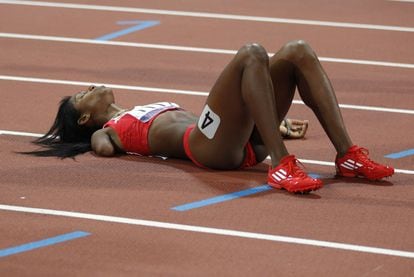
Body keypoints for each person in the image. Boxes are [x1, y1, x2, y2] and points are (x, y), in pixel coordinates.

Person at [27, 40, 394, 193]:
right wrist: (98, 140)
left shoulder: (139, 108)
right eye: (81, 95)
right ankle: (282, 164)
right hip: (205, 148)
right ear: (87, 117)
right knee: (251, 53)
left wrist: (276, 123)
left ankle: (347, 156)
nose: (88, 86)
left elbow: (221, 114)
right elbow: (104, 151)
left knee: (297, 51)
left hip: (236, 136)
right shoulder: (106, 131)